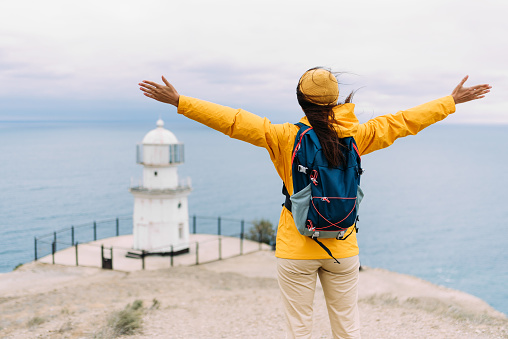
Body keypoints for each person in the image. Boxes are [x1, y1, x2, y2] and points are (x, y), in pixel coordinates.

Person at [138, 68, 491, 339]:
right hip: (343, 245)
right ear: (336, 100)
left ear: (301, 101)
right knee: (347, 328)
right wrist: (451, 102)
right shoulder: (359, 136)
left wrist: (180, 102)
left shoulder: (284, 137)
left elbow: (233, 121)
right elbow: (402, 123)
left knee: (300, 329)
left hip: (296, 248)